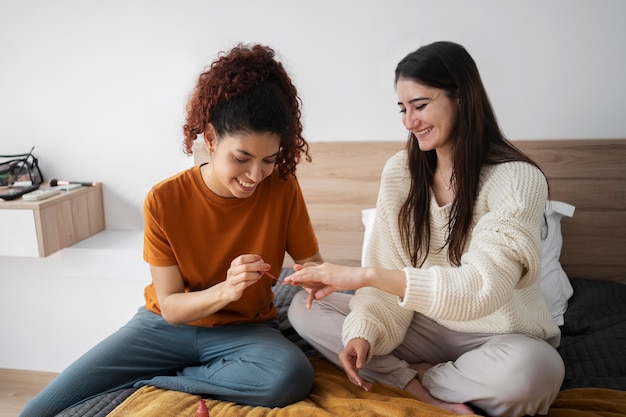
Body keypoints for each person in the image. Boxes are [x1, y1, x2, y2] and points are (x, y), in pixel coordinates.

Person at [20, 43, 323, 417]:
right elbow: (172, 308)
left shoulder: (282, 187)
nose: (255, 176)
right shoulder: (164, 200)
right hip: (162, 329)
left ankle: (158, 381)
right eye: (241, 159)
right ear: (211, 139)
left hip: (245, 331)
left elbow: (311, 264)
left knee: (291, 375)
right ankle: (162, 371)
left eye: (269, 160)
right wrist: (227, 290)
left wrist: (328, 287)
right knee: (37, 410)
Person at [286, 41, 564, 417]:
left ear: (462, 98)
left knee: (535, 372)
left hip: (495, 331)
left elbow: (483, 288)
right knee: (306, 310)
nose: (408, 121)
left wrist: (364, 275)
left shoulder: (518, 179)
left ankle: (417, 379)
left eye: (420, 105)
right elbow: (383, 292)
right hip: (419, 326)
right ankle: (427, 389)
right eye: (402, 109)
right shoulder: (400, 172)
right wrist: (364, 332)